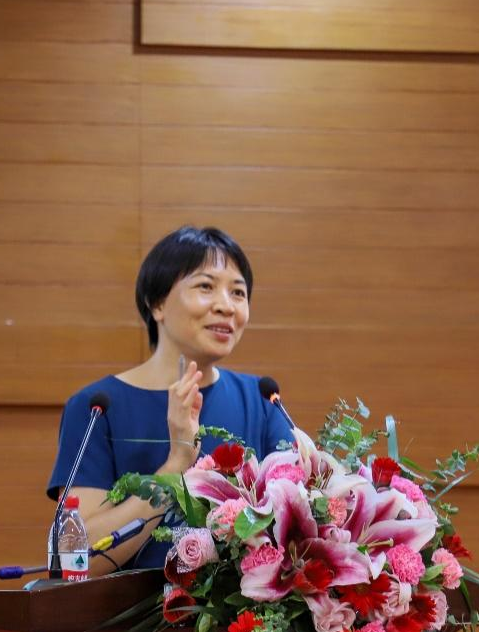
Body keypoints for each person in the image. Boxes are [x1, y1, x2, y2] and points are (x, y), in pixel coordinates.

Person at [47, 226, 294, 575]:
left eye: (238, 293)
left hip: (243, 609)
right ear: (158, 303)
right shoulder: (97, 407)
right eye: (205, 287)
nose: (226, 306)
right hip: (132, 610)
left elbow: (298, 522)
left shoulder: (261, 400)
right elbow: (75, 560)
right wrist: (176, 464)